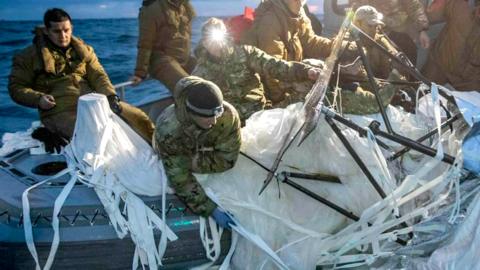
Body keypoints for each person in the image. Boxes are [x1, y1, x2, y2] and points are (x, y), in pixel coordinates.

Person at [8, 8, 154, 147]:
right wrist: (38, 99)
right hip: (58, 110)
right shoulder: (27, 56)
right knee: (93, 135)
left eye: (66, 30)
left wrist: (111, 96)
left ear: (71, 27)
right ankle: (48, 130)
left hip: (93, 103)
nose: (63, 36)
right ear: (46, 31)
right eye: (57, 31)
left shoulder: (85, 51)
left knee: (139, 117)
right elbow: (16, 88)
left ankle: (161, 151)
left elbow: (98, 75)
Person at [193, 18, 321, 124]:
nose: (215, 45)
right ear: (203, 42)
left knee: (309, 87)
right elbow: (194, 102)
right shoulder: (200, 72)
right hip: (231, 127)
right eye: (209, 40)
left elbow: (275, 66)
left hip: (261, 116)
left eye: (218, 38)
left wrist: (305, 71)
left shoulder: (245, 53)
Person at [153, 76, 241, 227]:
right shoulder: (169, 130)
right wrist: (210, 209)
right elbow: (180, 179)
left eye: (216, 114)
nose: (214, 121)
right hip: (174, 149)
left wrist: (195, 161)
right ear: (192, 113)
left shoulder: (227, 115)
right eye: (207, 117)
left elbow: (228, 159)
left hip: (197, 151)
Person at [243, 0, 342, 107]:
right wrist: (282, 103)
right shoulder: (270, 22)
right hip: (275, 90)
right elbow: (272, 71)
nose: (301, 3)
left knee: (320, 69)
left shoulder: (296, 12)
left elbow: (310, 42)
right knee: (312, 79)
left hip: (290, 75)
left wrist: (338, 46)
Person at [131, 0, 196, 92]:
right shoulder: (153, 8)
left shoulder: (184, 7)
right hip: (162, 60)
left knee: (212, 81)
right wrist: (139, 73)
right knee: (189, 87)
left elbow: (186, 38)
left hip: (184, 59)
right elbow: (145, 43)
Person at [421, 0, 480, 91]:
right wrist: (420, 29)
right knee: (415, 94)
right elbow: (430, 13)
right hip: (437, 69)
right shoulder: (460, 7)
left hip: (466, 85)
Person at [349, 0, 430, 65]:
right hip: (372, 31)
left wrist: (422, 30)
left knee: (408, 51)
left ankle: (410, 83)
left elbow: (414, 7)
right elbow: (355, 11)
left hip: (400, 31)